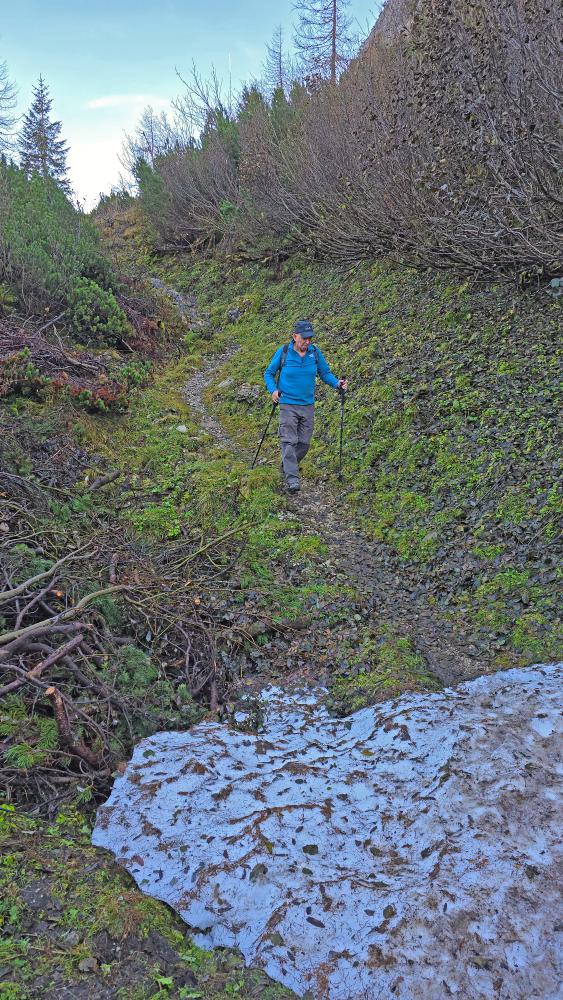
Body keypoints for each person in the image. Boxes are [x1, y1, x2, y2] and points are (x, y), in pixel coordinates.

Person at [263, 319, 348, 493]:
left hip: (307, 405)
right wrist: (273, 390)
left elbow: (325, 373)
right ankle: (292, 479)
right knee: (289, 441)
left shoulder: (315, 353)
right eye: (304, 338)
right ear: (295, 336)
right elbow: (269, 373)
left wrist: (337, 384)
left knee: (304, 443)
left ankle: (287, 466)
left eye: (310, 338)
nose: (307, 342)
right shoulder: (284, 352)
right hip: (287, 403)